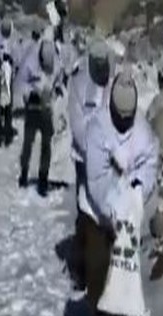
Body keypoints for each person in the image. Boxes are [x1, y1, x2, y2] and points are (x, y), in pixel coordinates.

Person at [83, 70, 158, 316]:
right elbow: (96, 180)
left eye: (127, 118)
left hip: (129, 216)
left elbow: (151, 164)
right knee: (101, 280)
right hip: (99, 214)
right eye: (119, 117)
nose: (123, 123)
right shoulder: (99, 128)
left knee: (125, 281)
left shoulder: (143, 132)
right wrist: (113, 208)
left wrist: (138, 190)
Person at [67, 39, 112, 290]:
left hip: (106, 160)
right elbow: (77, 124)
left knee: (105, 212)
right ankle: (79, 268)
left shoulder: (112, 79)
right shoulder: (79, 82)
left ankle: (103, 268)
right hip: (84, 158)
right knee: (85, 213)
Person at [17, 38, 62, 196]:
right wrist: (31, 93)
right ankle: (23, 172)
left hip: (46, 108)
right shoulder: (29, 61)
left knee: (46, 144)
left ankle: (43, 177)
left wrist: (57, 89)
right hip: (32, 107)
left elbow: (59, 80)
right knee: (28, 142)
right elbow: (20, 83)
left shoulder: (56, 62)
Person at [0, 18, 19, 146]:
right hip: (2, 74)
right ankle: (1, 131)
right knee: (2, 104)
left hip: (4, 73)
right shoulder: (1, 39)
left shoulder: (9, 40)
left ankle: (5, 129)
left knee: (5, 103)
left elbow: (13, 57)